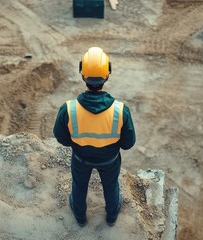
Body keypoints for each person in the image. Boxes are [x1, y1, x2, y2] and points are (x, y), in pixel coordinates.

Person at [53, 47, 136, 227]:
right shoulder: (121, 110)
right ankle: (112, 216)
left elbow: (60, 137)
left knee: (79, 186)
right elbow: (129, 143)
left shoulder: (69, 109)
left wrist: (77, 143)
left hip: (80, 158)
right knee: (111, 186)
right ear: (108, 74)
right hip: (110, 160)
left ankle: (80, 217)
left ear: (82, 74)